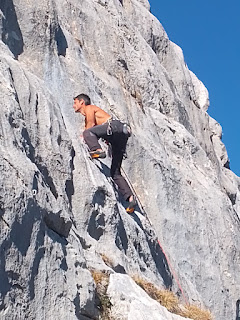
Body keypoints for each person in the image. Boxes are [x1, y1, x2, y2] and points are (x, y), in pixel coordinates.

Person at [73, 93, 136, 213]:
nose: (73, 105)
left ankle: (97, 150)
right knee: (115, 173)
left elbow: (90, 125)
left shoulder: (89, 108)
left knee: (88, 133)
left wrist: (84, 136)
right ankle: (131, 199)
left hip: (115, 127)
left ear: (82, 102)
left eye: (75, 102)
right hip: (121, 135)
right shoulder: (95, 113)